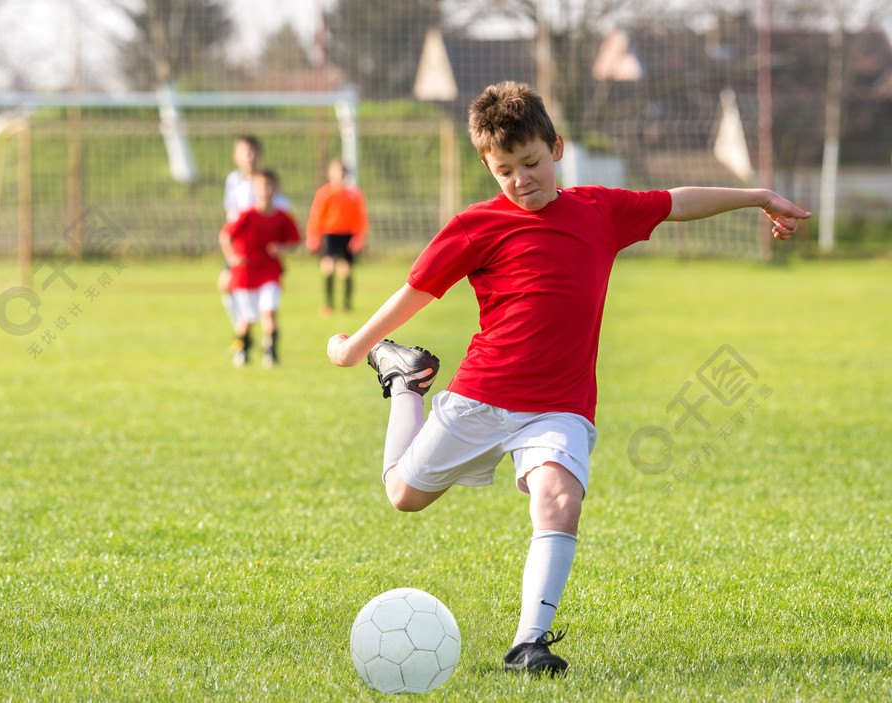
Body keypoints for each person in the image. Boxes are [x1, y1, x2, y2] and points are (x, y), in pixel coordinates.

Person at [326, 81, 810, 676]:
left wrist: (758, 195)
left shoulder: (599, 210)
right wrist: (356, 348)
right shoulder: (475, 226)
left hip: (561, 405)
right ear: (487, 164)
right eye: (505, 171)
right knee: (404, 495)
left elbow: (677, 200)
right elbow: (416, 291)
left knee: (559, 500)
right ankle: (406, 382)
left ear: (557, 148)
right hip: (484, 394)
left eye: (531, 163)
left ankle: (528, 644)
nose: (522, 180)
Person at [220, 169, 301, 367]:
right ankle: (242, 350)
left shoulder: (282, 216)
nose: (265, 190)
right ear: (254, 190)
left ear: (276, 189)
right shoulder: (246, 215)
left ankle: (271, 351)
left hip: (270, 272)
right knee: (246, 319)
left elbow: (295, 240)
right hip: (246, 273)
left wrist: (282, 247)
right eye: (260, 187)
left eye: (269, 186)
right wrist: (232, 257)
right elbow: (225, 235)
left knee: (269, 310)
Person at [220, 136, 291, 328]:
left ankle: (261, 334)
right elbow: (230, 212)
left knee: (267, 293)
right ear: (236, 156)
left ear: (259, 155)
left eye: (252, 152)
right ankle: (242, 329)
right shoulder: (234, 180)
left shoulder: (266, 181)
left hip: (263, 248)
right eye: (245, 152)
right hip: (241, 246)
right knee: (226, 285)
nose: (249, 157)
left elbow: (282, 207)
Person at [305, 159, 369, 315]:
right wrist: (313, 236)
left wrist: (359, 237)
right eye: (336, 172)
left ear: (346, 174)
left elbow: (361, 217)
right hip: (329, 234)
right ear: (330, 174)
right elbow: (316, 216)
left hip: (347, 235)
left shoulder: (354, 194)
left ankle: (347, 305)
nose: (339, 175)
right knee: (328, 267)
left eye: (342, 172)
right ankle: (328, 304)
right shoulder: (324, 193)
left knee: (346, 270)